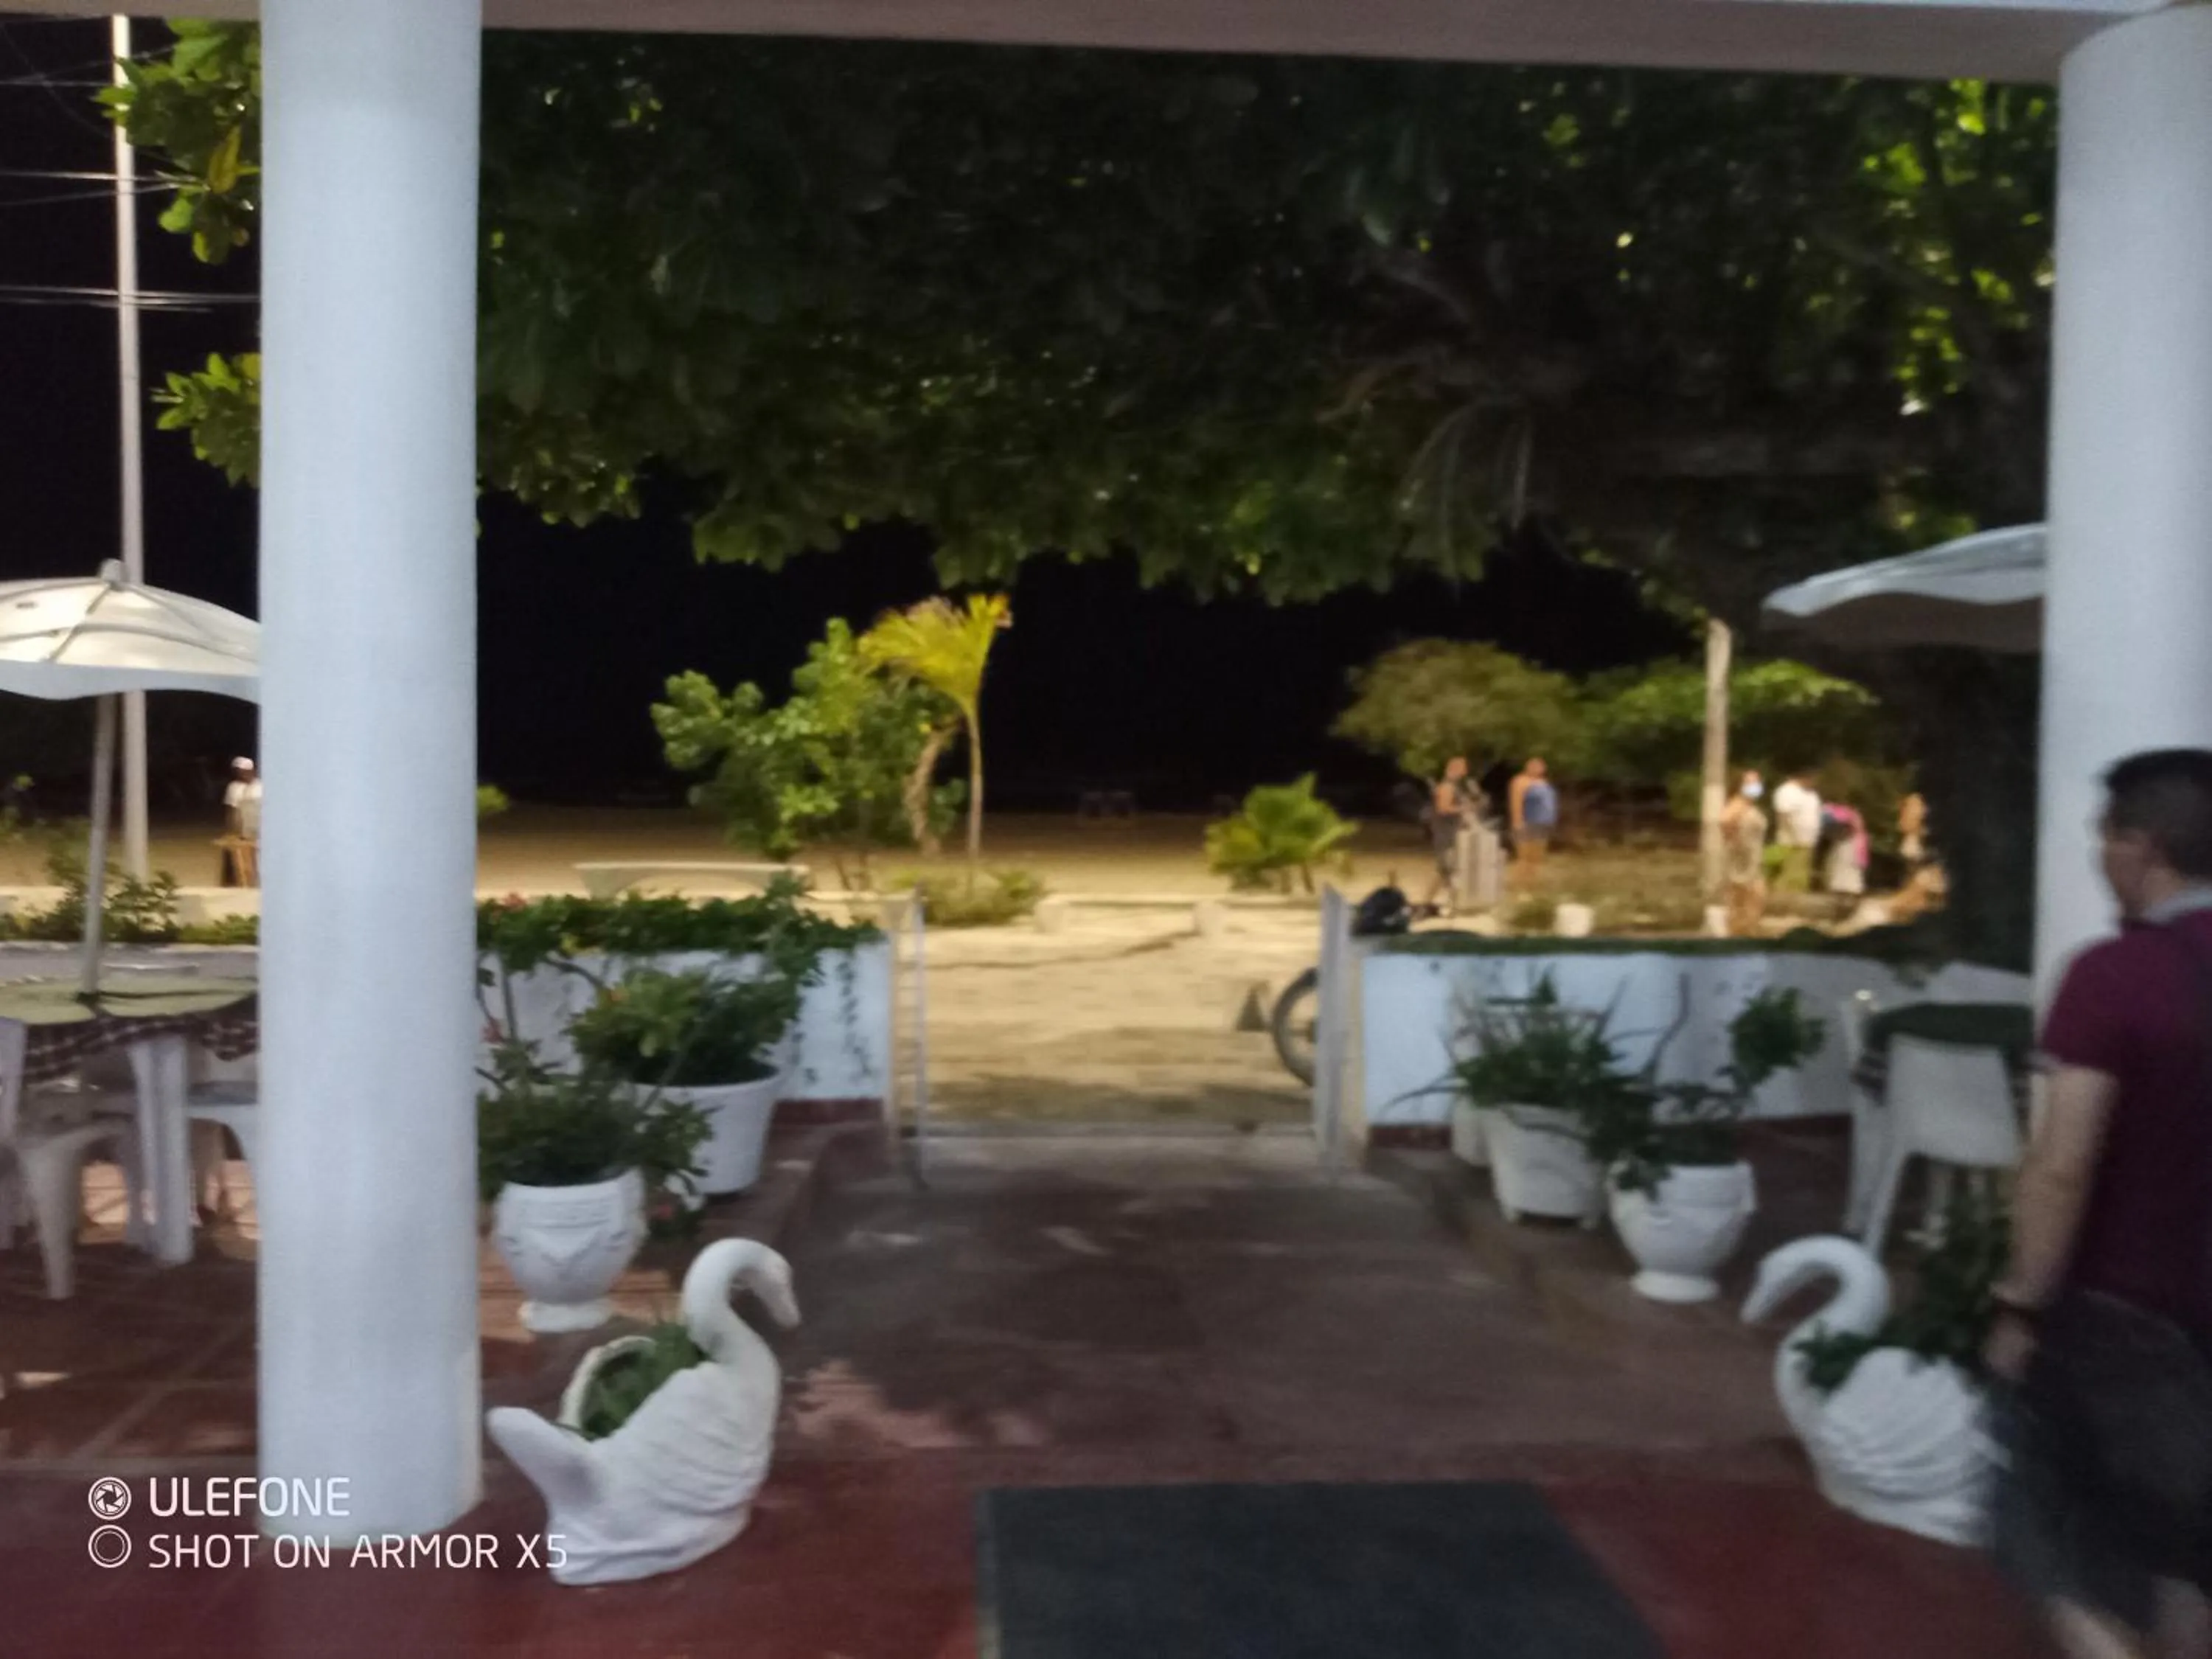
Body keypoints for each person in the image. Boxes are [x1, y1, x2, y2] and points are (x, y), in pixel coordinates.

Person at [1988, 748, 2212, 1659]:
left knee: (2058, 1545)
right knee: (2189, 1560)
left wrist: (2017, 1307)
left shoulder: (2114, 977)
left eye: (2104, 837)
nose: (2097, 857)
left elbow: (2061, 1166)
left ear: (2141, 845)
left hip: (2125, 1317)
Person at [1420, 757, 1476, 915]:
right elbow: (1443, 808)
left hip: (1451, 832)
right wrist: (1463, 808)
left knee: (1445, 870)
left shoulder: (1454, 787)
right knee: (1447, 869)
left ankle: (1429, 902)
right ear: (1455, 768)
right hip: (1445, 833)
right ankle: (1451, 903)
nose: (1465, 771)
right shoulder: (1447, 787)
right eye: (1463, 767)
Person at [1719, 771, 1769, 936]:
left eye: (1757, 782)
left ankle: (1744, 934)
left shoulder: (1749, 806)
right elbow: (1725, 821)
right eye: (1750, 783)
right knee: (1743, 902)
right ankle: (1739, 936)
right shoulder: (1737, 804)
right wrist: (1735, 842)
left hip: (1753, 858)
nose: (1755, 786)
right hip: (1742, 861)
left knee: (1752, 902)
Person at [1770, 771, 1823, 893]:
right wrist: (1793, 836)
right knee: (1789, 874)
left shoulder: (1811, 794)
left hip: (1807, 842)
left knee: (1800, 875)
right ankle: (1783, 899)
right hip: (1791, 842)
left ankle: (1796, 898)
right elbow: (1783, 815)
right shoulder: (1787, 791)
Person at [1510, 757, 1558, 883]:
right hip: (1528, 822)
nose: (1537, 769)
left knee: (1537, 856)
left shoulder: (1544, 782)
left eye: (1540, 766)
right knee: (1525, 856)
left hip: (1544, 823)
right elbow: (1516, 802)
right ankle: (1520, 884)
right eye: (1534, 766)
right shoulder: (1521, 781)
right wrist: (1517, 822)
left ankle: (1532, 883)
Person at [220, 757, 262, 888]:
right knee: (244, 860)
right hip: (244, 829)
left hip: (261, 827)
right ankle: (247, 884)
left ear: (252, 770)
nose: (242, 774)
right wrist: (231, 831)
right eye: (238, 771)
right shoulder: (234, 787)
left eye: (244, 771)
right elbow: (232, 810)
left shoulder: (262, 786)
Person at [1823, 801, 1868, 898]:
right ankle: (1846, 889)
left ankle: (1846, 889)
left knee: (1846, 868)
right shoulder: (1853, 815)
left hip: (1850, 846)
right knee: (1844, 868)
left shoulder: (1846, 815)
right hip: (1849, 845)